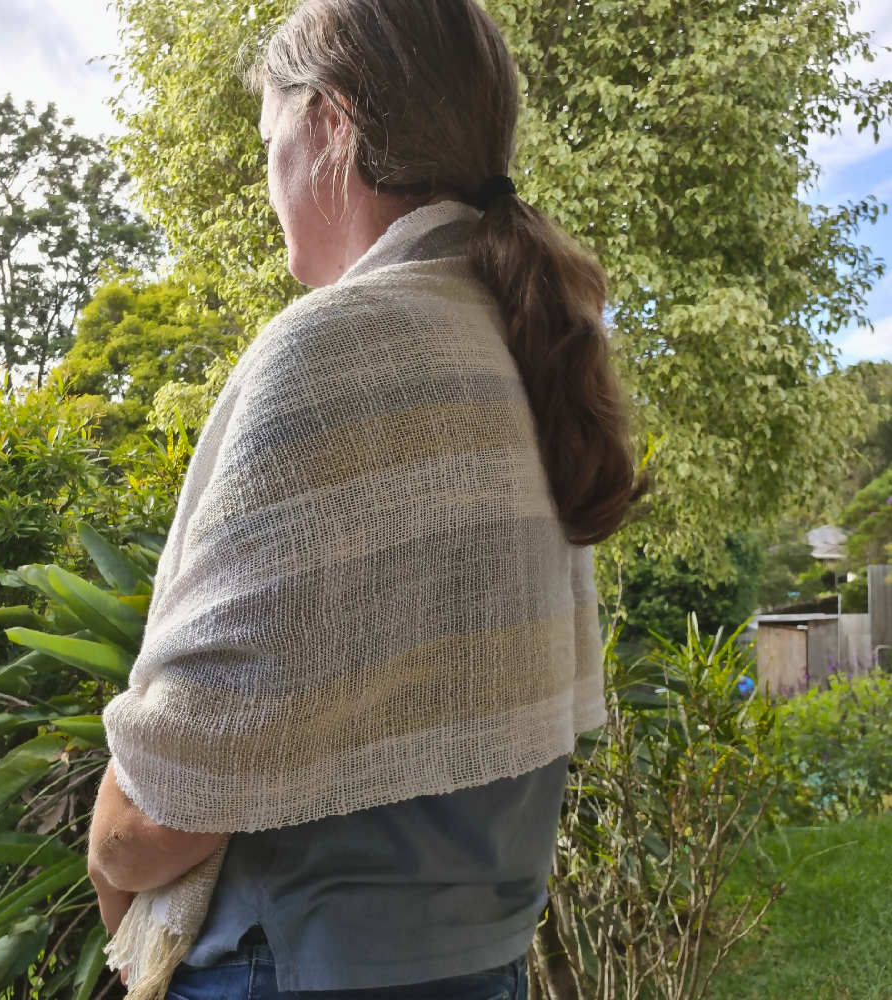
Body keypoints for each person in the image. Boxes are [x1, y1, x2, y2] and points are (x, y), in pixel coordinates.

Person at [87, 1, 643, 998]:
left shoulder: (331, 350)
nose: (268, 184)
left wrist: (107, 855)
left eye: (270, 143)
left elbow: (173, 791)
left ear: (330, 126)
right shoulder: (526, 348)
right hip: (483, 965)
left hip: (293, 970)